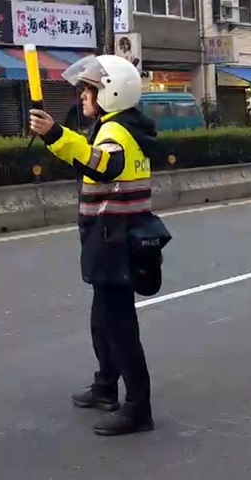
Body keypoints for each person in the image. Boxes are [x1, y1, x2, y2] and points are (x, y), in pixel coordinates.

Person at [28, 55, 159, 436]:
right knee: (103, 320)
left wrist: (55, 134)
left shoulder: (116, 133)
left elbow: (102, 165)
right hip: (110, 235)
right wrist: (58, 136)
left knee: (119, 325)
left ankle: (138, 407)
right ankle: (105, 387)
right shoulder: (115, 125)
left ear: (111, 93)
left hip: (114, 237)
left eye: (89, 89)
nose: (83, 95)